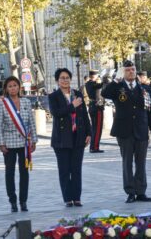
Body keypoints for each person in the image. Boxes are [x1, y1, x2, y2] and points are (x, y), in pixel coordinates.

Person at [101, 60, 151, 203]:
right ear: (123, 72)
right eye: (127, 70)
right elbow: (104, 93)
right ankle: (130, 192)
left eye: (133, 69)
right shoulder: (118, 87)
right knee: (127, 162)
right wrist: (116, 79)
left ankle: (141, 191)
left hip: (141, 129)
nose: (131, 72)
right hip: (124, 131)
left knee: (141, 162)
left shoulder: (145, 89)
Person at [49, 68, 91, 207]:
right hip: (61, 139)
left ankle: (77, 197)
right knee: (64, 170)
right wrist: (71, 106)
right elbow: (56, 113)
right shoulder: (53, 96)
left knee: (76, 169)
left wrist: (89, 133)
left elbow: (84, 115)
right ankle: (68, 198)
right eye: (62, 78)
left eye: (67, 77)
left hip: (78, 136)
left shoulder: (77, 94)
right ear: (57, 80)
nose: (65, 80)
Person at [0, 76, 38, 212]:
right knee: (10, 173)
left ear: (19, 87)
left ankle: (23, 201)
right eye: (10, 86)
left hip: (24, 142)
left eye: (15, 85)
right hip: (9, 143)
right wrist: (1, 144)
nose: (13, 88)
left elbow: (31, 121)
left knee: (24, 172)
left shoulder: (25, 102)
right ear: (6, 89)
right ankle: (12, 201)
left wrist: (34, 140)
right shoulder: (1, 104)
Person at [85, 70, 105, 153]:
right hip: (97, 108)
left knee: (94, 128)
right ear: (95, 76)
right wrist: (105, 79)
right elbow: (101, 85)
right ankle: (95, 147)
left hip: (92, 107)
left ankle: (93, 146)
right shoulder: (92, 84)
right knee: (97, 128)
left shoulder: (88, 83)